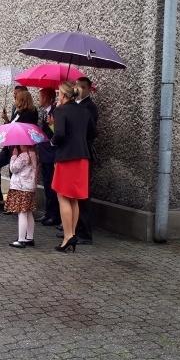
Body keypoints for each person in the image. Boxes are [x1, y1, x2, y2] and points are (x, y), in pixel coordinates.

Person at [50, 81, 97, 253]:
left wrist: (52, 140)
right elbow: (93, 132)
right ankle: (73, 234)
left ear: (63, 95)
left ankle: (68, 236)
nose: (57, 97)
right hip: (83, 157)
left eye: (58, 94)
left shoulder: (60, 110)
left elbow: (59, 134)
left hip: (66, 158)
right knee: (75, 198)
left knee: (63, 197)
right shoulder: (84, 110)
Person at [0, 86, 38, 203]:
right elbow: (12, 128)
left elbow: (21, 131)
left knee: (13, 172)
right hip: (10, 147)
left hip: (19, 149)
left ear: (23, 97)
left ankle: (13, 201)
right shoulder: (16, 110)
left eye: (17, 95)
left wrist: (9, 122)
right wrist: (6, 120)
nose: (15, 97)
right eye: (14, 94)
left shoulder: (30, 113)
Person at [75, 76, 99, 244]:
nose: (80, 90)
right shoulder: (75, 106)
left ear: (89, 89)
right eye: (78, 86)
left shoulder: (90, 107)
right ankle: (74, 229)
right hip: (75, 154)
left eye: (83, 87)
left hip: (83, 153)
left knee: (83, 194)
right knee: (74, 193)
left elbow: (91, 132)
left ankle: (85, 232)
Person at [6, 145, 39, 248]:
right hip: (30, 189)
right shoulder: (35, 156)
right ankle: (29, 238)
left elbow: (13, 168)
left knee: (22, 213)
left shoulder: (24, 156)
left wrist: (14, 156)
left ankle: (21, 240)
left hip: (21, 188)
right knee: (29, 212)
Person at [36, 87, 61, 226]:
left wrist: (51, 125)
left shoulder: (54, 112)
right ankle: (47, 212)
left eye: (40, 96)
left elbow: (57, 133)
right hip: (45, 154)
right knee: (46, 185)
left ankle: (53, 215)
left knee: (51, 186)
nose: (38, 99)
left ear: (45, 98)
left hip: (51, 155)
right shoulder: (45, 112)